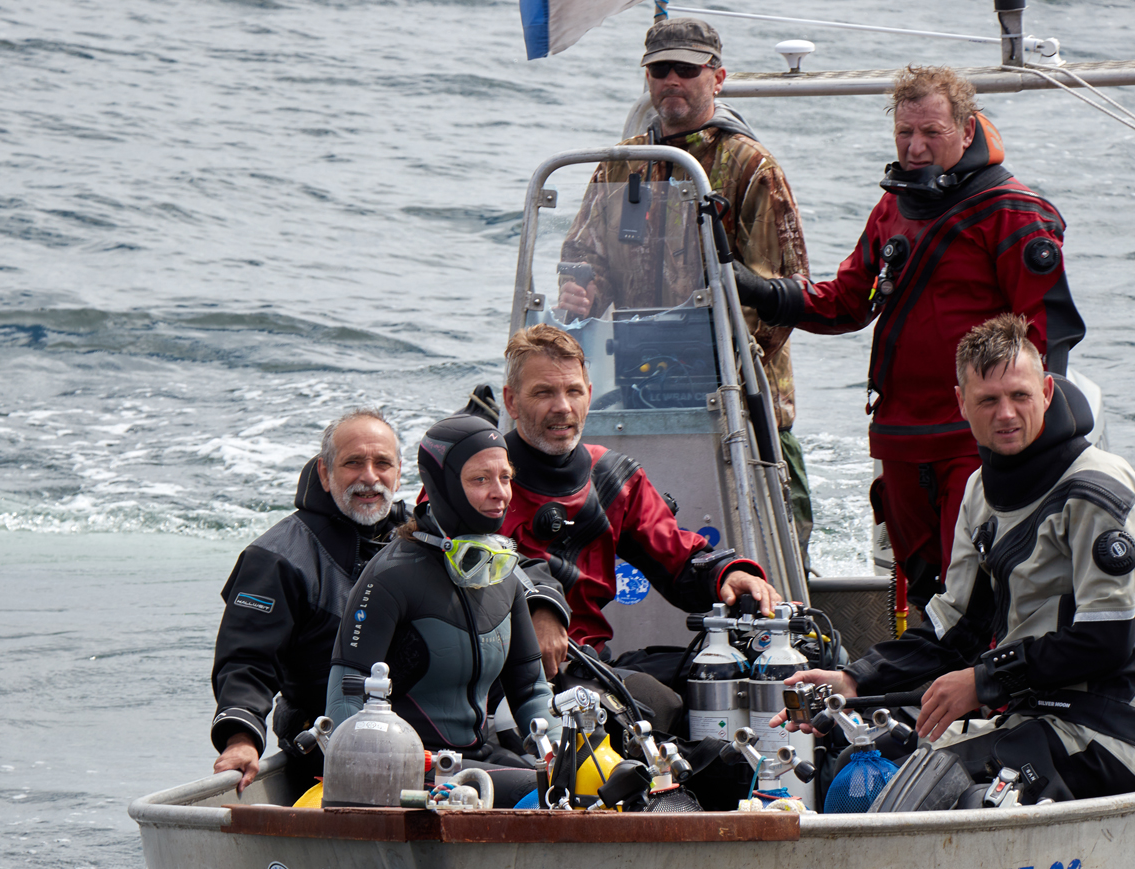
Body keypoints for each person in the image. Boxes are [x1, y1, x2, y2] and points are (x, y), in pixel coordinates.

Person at [773, 315, 1135, 802]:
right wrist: (856, 678)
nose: (1006, 414)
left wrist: (983, 682)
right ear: (961, 402)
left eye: (1020, 395)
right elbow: (957, 630)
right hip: (1027, 710)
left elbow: (1106, 641)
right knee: (860, 760)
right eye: (988, 400)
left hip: (1108, 728)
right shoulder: (980, 491)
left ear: (1047, 392)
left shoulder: (1096, 490)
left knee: (913, 795)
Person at [737, 65, 1085, 607]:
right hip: (901, 434)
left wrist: (1027, 438)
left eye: (931, 132)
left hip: (973, 436)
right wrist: (758, 290)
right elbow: (847, 302)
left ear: (965, 131)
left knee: (976, 582)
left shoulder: (1013, 213)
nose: (915, 147)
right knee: (925, 585)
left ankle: (988, 664)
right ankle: (931, 659)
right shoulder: (893, 207)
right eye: (905, 132)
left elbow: (1044, 335)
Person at [555, 17, 815, 560]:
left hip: (741, 402)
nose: (672, 80)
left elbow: (784, 294)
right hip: (639, 398)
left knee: (778, 549)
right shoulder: (620, 164)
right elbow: (584, 255)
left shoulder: (753, 167)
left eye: (686, 69)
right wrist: (581, 290)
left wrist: (709, 364)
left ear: (717, 78)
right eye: (659, 70)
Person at [498, 323, 781, 681]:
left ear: (589, 394)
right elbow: (455, 557)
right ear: (512, 401)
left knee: (729, 673)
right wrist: (537, 604)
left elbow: (677, 558)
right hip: (496, 671)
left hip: (588, 667)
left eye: (573, 391)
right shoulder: (478, 477)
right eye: (543, 393)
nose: (563, 407)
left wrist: (728, 575)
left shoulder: (612, 479)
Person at [326, 414, 555, 807]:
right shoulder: (391, 576)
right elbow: (346, 699)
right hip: (411, 770)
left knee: (589, 782)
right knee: (538, 793)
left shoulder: (503, 573)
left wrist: (562, 755)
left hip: (477, 758)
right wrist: (362, 786)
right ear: (443, 486)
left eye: (505, 477)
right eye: (480, 479)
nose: (500, 493)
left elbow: (530, 689)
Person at [210, 408, 410, 793]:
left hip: (424, 739)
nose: (370, 477)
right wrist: (241, 738)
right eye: (353, 463)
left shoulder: (423, 542)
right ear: (324, 472)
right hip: (326, 748)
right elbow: (247, 660)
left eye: (382, 463)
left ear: (398, 472)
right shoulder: (276, 559)